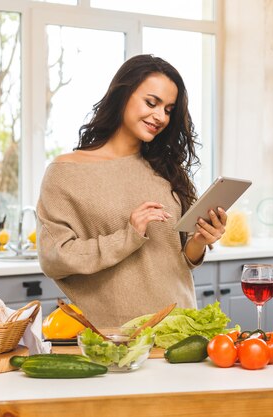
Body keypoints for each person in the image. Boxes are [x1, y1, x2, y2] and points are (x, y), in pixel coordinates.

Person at [37, 54, 227, 326]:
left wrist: (199, 241)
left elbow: (179, 258)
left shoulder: (166, 169)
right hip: (117, 335)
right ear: (122, 95)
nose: (160, 116)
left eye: (169, 110)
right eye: (152, 103)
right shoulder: (67, 172)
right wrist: (130, 235)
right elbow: (55, 257)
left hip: (181, 326)